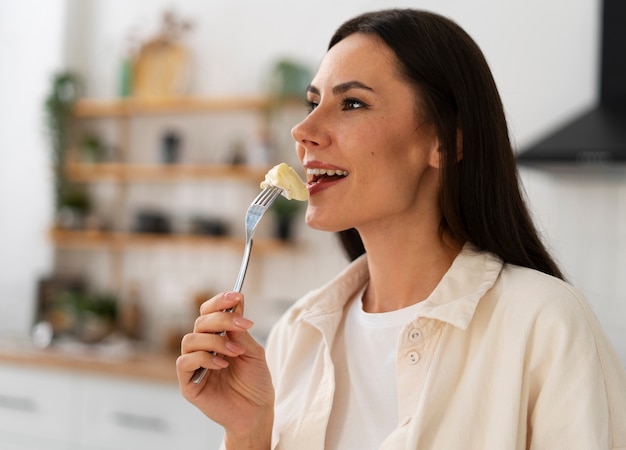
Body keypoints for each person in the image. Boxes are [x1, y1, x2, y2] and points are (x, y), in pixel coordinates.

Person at [177, 8, 626, 449]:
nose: (304, 129)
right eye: (313, 102)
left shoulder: (544, 324)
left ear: (445, 143)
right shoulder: (298, 334)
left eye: (352, 103)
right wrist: (248, 433)